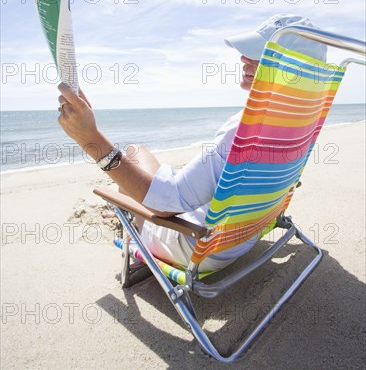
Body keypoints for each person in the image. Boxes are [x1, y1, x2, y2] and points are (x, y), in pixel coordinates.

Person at [57, 14, 327, 272]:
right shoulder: (304, 120)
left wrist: (91, 140)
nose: (244, 58)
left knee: (134, 156)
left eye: (261, 54)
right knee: (139, 155)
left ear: (293, 68)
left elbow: (167, 203)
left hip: (196, 245)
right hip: (244, 236)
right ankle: (126, 207)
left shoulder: (245, 130)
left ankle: (129, 218)